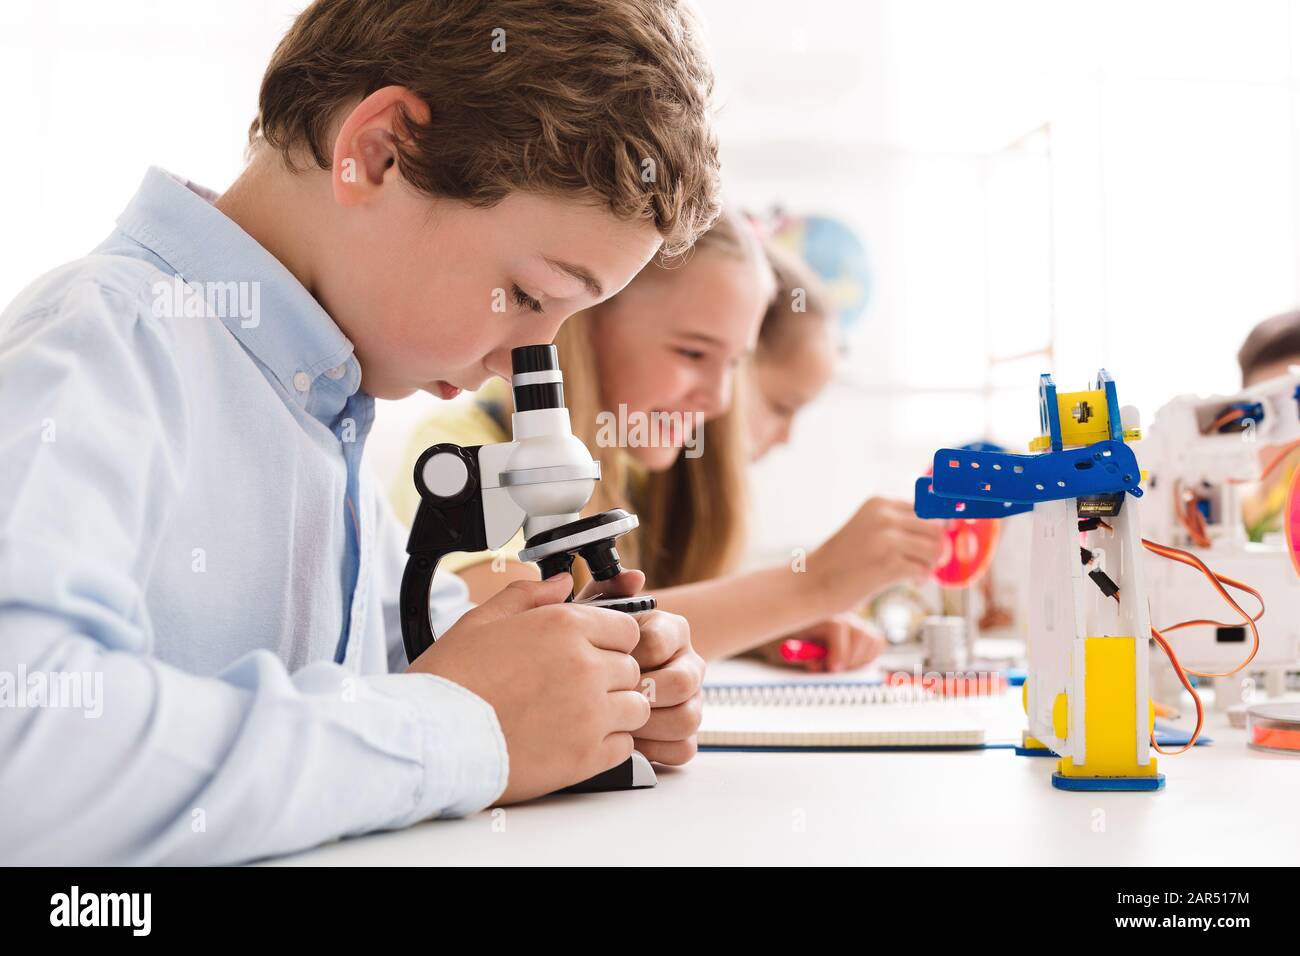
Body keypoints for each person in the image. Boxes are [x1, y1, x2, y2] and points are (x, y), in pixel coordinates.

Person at [0, 0, 721, 865]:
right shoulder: (105, 342)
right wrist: (463, 727)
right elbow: (28, 739)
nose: (522, 358)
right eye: (530, 295)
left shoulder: (315, 411)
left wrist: (593, 690)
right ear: (378, 154)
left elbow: (403, 670)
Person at [397, 222, 944, 673]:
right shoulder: (463, 451)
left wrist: (757, 629)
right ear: (584, 320)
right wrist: (811, 587)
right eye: (692, 353)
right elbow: (514, 637)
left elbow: (625, 620)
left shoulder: (637, 476)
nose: (720, 399)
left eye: (733, 363)